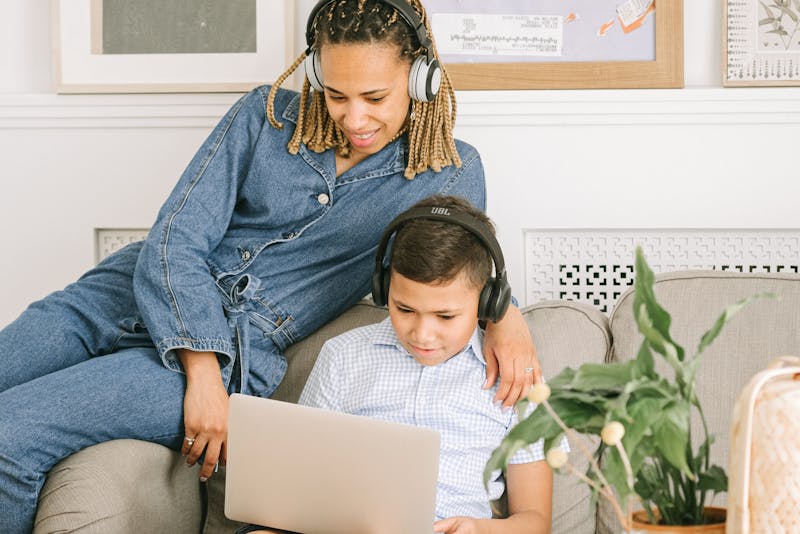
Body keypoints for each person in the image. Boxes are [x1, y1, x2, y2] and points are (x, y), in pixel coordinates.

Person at [0, 1, 539, 532]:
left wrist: (505, 315)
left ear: (421, 77)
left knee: (9, 436)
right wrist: (202, 373)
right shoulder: (261, 116)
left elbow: (459, 267)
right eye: (335, 94)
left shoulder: (448, 170)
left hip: (239, 348)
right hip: (121, 296)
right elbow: (175, 237)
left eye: (376, 96)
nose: (355, 118)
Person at [239, 195, 554, 534]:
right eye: (404, 310)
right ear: (383, 288)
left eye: (445, 316)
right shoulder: (343, 356)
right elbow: (300, 479)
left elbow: (535, 521)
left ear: (488, 301)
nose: (422, 334)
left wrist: (479, 529)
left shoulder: (518, 380)